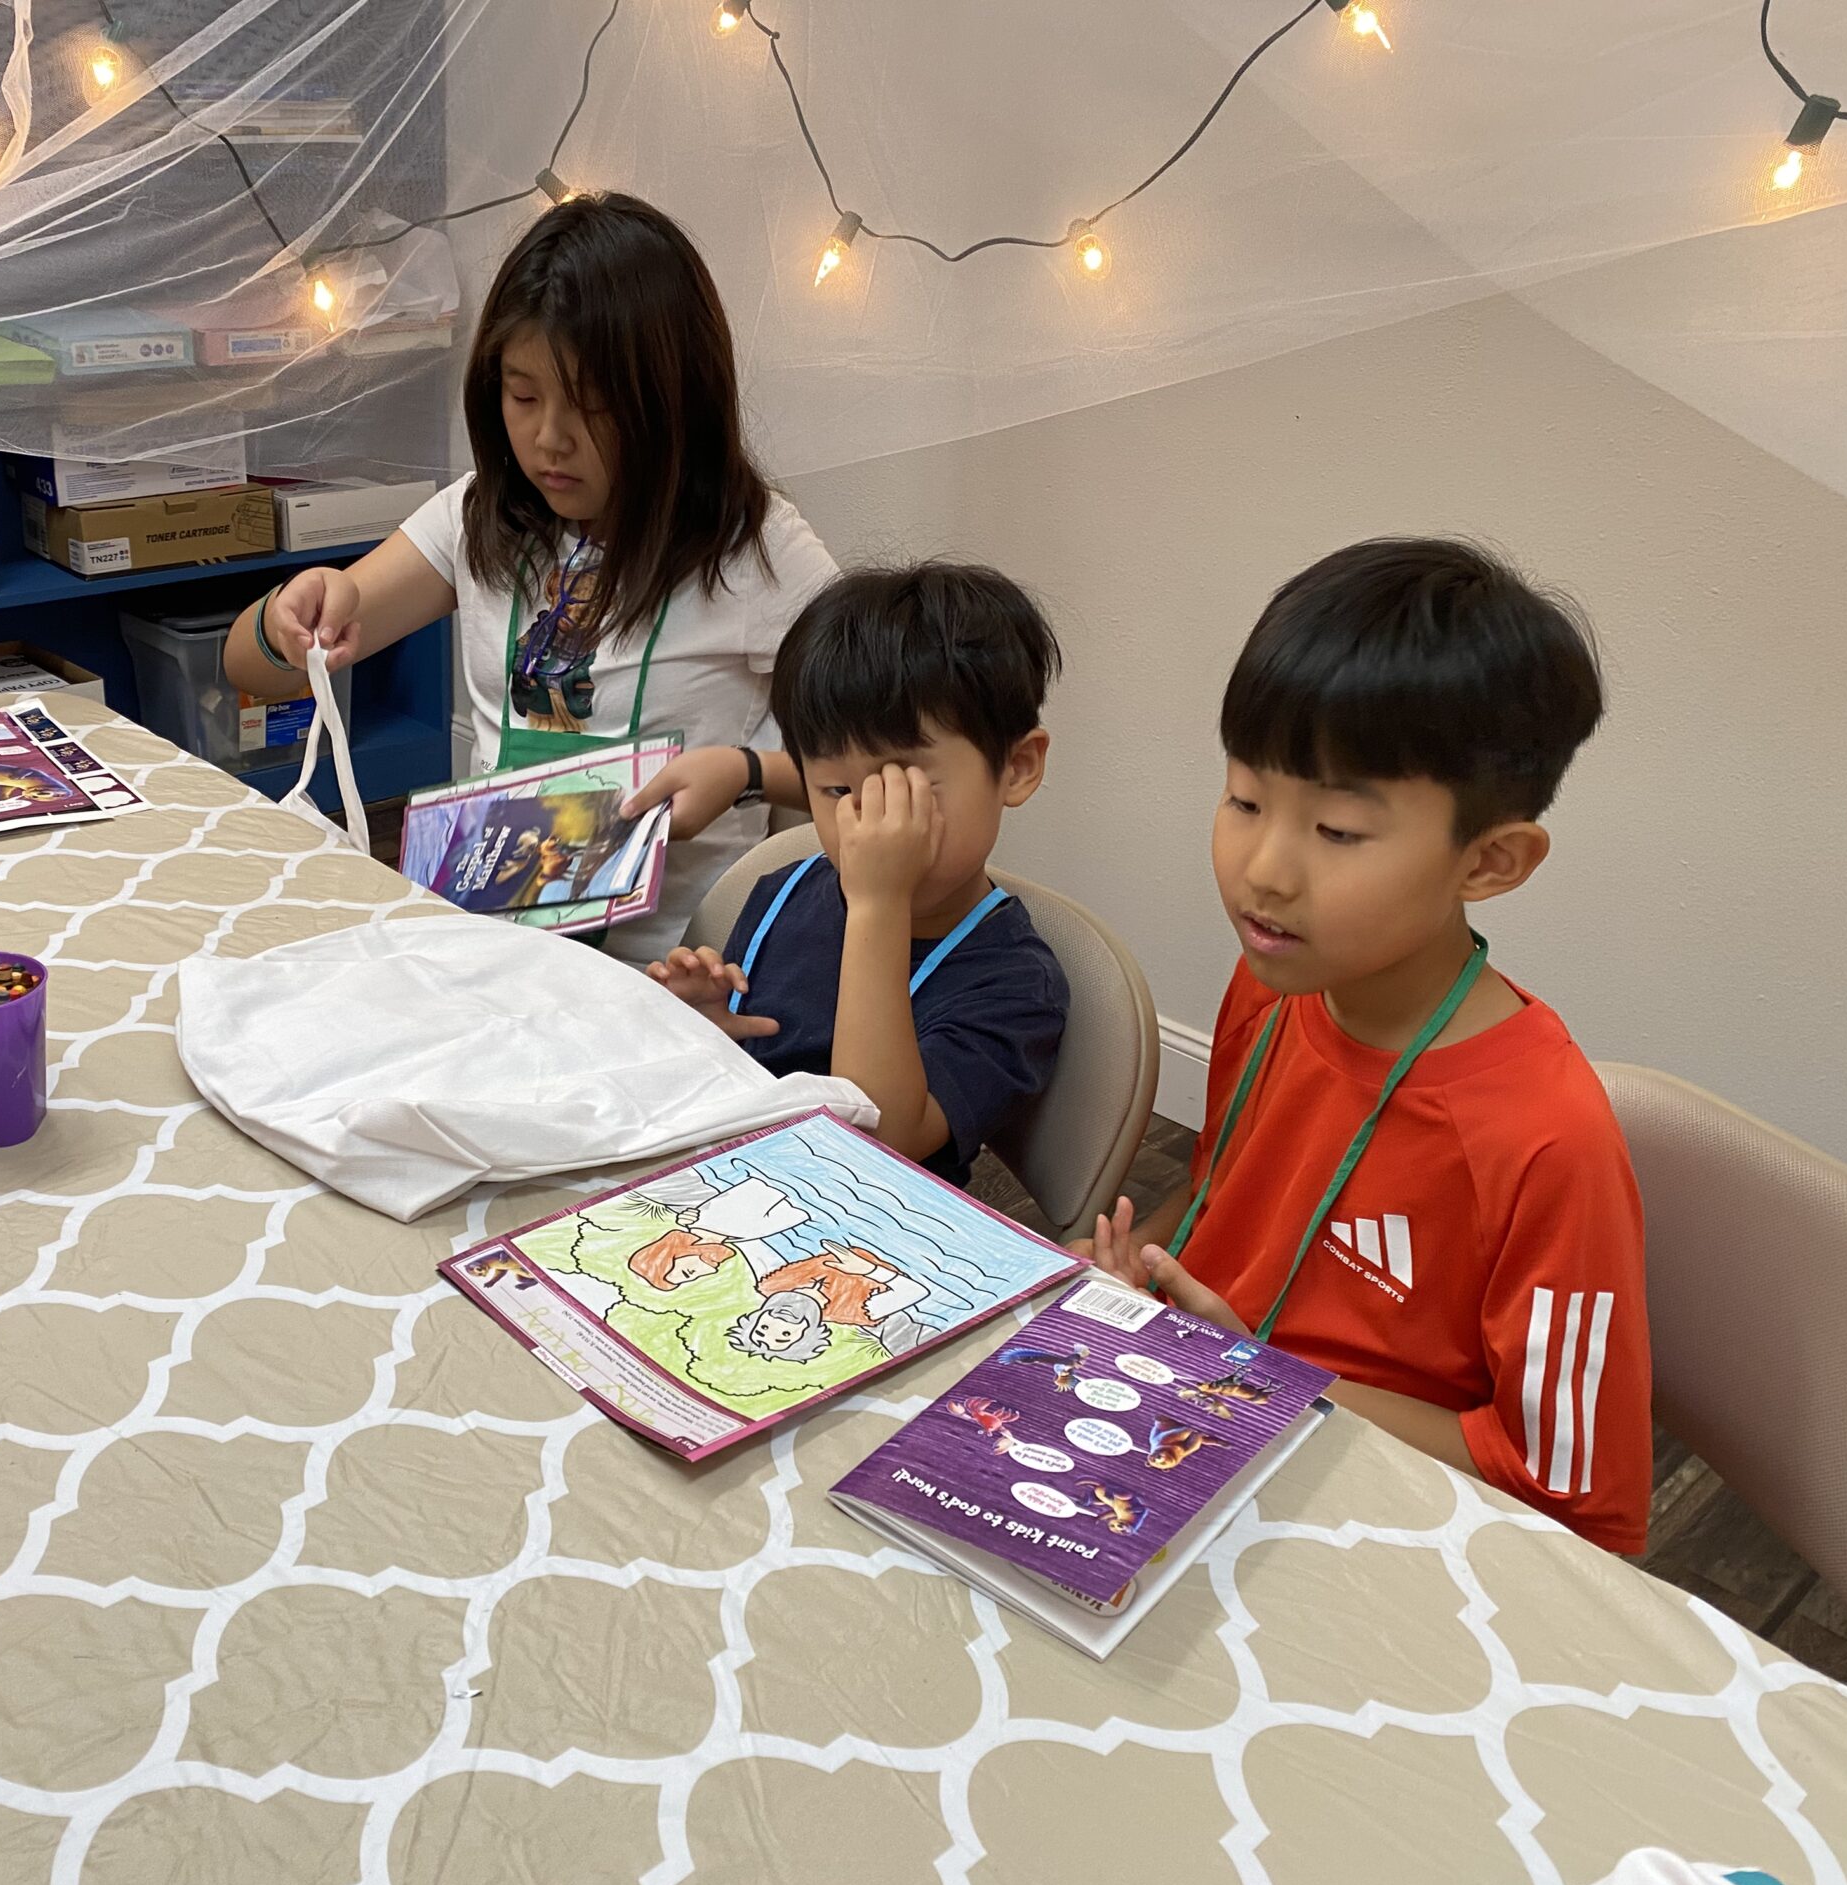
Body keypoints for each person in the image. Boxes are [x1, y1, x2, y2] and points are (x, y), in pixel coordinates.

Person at [1085, 537, 1649, 1554]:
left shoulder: (1546, 1140)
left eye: (1337, 831)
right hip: (1186, 1424)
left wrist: (1264, 1379)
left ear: (1490, 861)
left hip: (1365, 1520)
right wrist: (1138, 1276)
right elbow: (1222, 1191)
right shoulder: (1274, 985)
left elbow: (1576, 1503)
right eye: (1244, 799)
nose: (1264, 869)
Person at [223, 192, 840, 958]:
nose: (549, 438)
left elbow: (892, 772)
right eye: (522, 395)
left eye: (593, 406)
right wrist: (293, 615)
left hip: (668, 973)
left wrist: (748, 773)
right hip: (493, 948)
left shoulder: (756, 549)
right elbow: (251, 669)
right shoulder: (481, 516)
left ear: (673, 399)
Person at [648, 565, 1070, 1187]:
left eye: (902, 788)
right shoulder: (782, 891)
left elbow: (875, 1141)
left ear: (1017, 767)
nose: (869, 821)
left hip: (871, 1224)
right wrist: (706, 1029)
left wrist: (878, 903)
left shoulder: (1015, 983)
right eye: (838, 791)